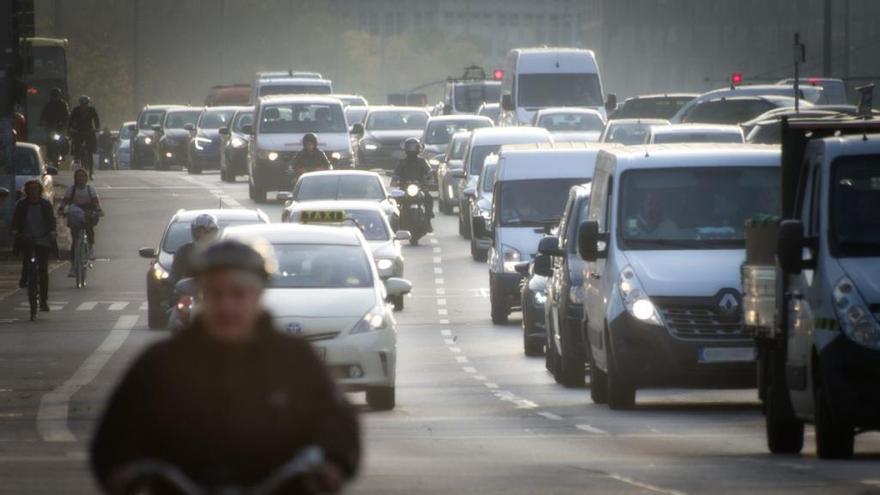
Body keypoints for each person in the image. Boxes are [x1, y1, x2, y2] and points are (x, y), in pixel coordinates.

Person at [90, 239, 360, 493]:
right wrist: (123, 469)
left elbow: (337, 424)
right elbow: (116, 434)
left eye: (238, 294)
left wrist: (332, 462)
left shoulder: (296, 360)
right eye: (216, 294)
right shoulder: (161, 363)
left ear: (258, 296)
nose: (227, 306)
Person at [11, 180, 56, 312]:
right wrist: (15, 231)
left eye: (36, 189)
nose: (33, 192)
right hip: (27, 239)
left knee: (43, 270)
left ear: (40, 190)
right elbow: (15, 221)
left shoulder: (45, 204)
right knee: (27, 260)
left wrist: (52, 232)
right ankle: (25, 278)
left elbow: (51, 221)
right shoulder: (21, 205)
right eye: (30, 189)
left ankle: (43, 301)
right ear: (27, 191)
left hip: (43, 239)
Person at [59, 169, 102, 273]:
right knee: (75, 240)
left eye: (83, 176)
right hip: (75, 216)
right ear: (75, 178)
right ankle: (74, 265)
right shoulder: (71, 190)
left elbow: (96, 203)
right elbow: (65, 202)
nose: (80, 178)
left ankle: (90, 248)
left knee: (89, 229)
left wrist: (99, 210)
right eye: (78, 176)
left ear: (86, 178)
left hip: (88, 214)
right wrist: (61, 209)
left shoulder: (90, 189)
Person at [392, 137, 434, 232]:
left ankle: (428, 219)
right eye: (409, 147)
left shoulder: (422, 162)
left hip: (419, 188)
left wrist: (429, 180)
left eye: (414, 147)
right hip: (404, 188)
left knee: (429, 198)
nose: (412, 149)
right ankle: (396, 223)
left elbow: (430, 173)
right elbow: (395, 175)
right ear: (406, 149)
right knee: (395, 201)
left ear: (418, 148)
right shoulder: (401, 163)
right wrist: (395, 181)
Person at [169, 213, 219, 286]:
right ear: (194, 232)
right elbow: (175, 273)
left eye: (207, 232)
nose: (203, 235)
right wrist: (170, 280)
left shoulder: (223, 251)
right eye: (199, 232)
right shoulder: (183, 251)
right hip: (190, 293)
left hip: (216, 292)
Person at [68, 95, 100, 179]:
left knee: (90, 152)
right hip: (79, 131)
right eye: (82, 104)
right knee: (76, 149)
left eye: (86, 104)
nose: (84, 105)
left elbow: (96, 120)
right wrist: (71, 129)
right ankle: (77, 167)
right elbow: (70, 120)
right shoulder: (76, 110)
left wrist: (97, 128)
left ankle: (91, 172)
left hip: (89, 131)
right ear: (80, 104)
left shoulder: (92, 110)